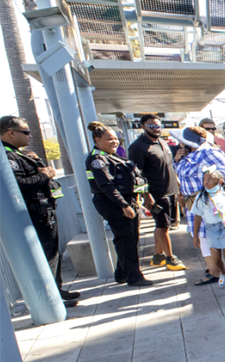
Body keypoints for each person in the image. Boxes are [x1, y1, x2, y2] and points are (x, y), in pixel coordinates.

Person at [2, 115, 78, 306]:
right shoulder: (7, 157)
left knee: (53, 253)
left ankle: (57, 290)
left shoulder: (18, 154)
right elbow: (17, 184)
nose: (30, 136)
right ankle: (52, 299)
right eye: (26, 132)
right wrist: (44, 175)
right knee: (45, 256)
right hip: (33, 214)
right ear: (11, 133)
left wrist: (38, 164)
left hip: (44, 211)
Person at [85, 122, 153, 287]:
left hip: (127, 200)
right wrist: (123, 205)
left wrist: (142, 197)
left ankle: (122, 273)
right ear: (97, 140)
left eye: (116, 139)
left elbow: (134, 176)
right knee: (126, 239)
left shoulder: (113, 156)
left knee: (130, 238)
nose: (115, 142)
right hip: (113, 203)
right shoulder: (97, 159)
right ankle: (134, 277)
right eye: (110, 139)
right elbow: (106, 185)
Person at [174, 126, 225, 286]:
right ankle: (220, 269)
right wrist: (177, 160)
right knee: (205, 237)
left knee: (215, 236)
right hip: (198, 205)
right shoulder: (192, 154)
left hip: (211, 205)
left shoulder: (208, 152)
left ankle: (219, 271)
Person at [128, 113, 186, 271]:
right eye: (151, 126)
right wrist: (146, 196)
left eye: (158, 126)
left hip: (171, 190)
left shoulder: (162, 142)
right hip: (156, 194)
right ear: (143, 127)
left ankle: (158, 256)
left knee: (162, 225)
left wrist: (177, 183)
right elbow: (136, 176)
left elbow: (169, 164)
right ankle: (170, 258)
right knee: (163, 226)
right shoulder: (137, 147)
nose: (156, 129)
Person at [190, 167, 225, 294]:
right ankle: (223, 272)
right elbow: (197, 217)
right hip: (211, 230)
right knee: (216, 260)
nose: (206, 182)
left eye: (210, 179)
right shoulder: (201, 198)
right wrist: (195, 236)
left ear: (219, 181)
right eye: (204, 180)